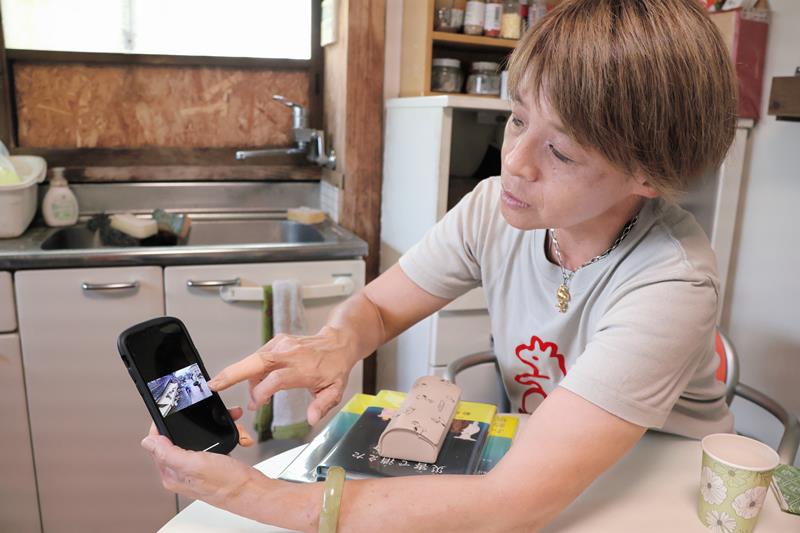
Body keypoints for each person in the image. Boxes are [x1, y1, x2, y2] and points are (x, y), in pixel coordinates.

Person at [141, 1, 738, 531]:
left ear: (648, 176)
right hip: (547, 475)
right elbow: (377, 307)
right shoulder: (493, 212)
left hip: (663, 493)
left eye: (560, 151)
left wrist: (260, 497)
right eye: (518, 118)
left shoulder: (671, 282)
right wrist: (336, 342)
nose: (515, 164)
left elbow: (511, 504)